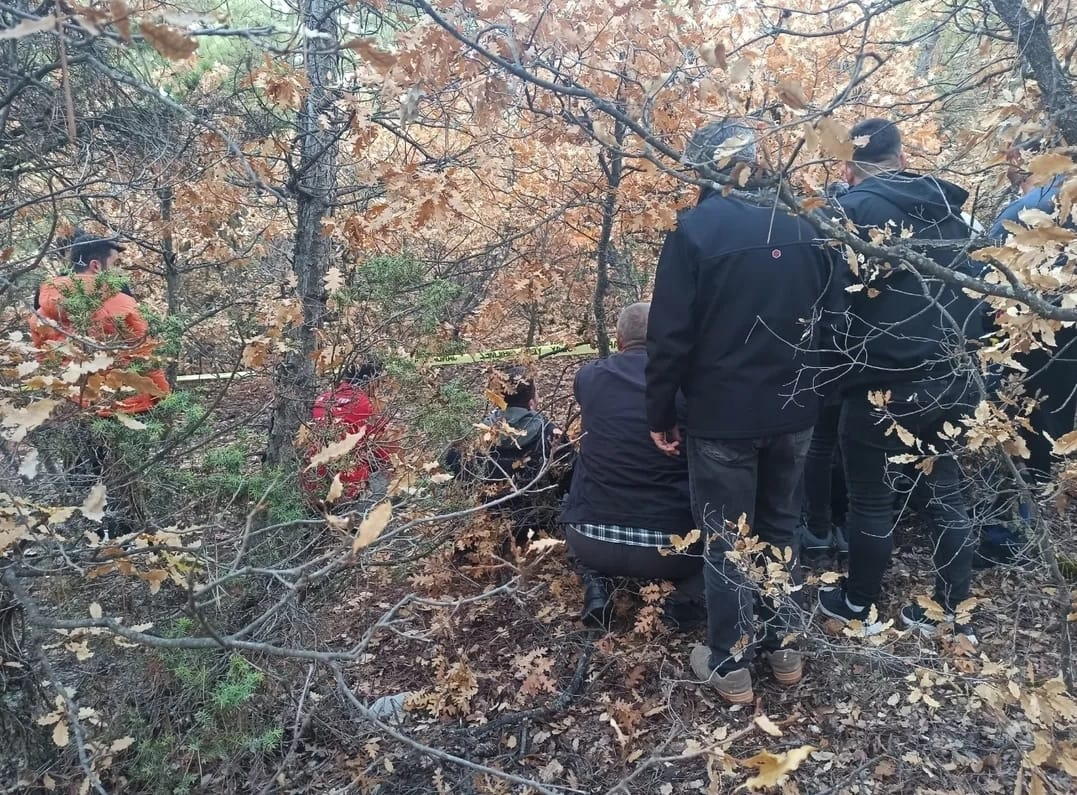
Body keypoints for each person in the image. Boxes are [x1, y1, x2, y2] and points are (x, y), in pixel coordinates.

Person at [646, 119, 842, 703]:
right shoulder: (810, 222)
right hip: (793, 411)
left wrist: (660, 412)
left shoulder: (696, 230)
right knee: (781, 525)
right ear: (756, 159)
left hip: (723, 416)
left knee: (728, 538)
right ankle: (784, 646)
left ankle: (730, 661)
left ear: (704, 168)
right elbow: (835, 324)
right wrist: (817, 395)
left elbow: (669, 336)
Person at [817, 118, 983, 640]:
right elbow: (977, 295)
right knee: (946, 494)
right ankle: (952, 610)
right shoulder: (953, 218)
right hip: (953, 377)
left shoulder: (848, 212)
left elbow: (828, 299)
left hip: (881, 385)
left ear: (848, 167)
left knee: (871, 498)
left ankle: (860, 604)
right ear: (903, 158)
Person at [561, 302, 703, 629]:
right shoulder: (691, 386)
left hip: (590, 541)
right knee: (723, 540)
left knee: (569, 498)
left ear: (619, 341)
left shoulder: (589, 378)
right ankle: (683, 601)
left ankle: (595, 583)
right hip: (672, 550)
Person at [977, 137, 1076, 566]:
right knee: (1049, 431)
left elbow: (984, 278)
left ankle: (1005, 535)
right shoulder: (1034, 205)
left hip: (1027, 350)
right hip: (1058, 353)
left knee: (1019, 435)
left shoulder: (1027, 209)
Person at [30, 231, 170, 415]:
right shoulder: (123, 305)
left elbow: (44, 363)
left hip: (71, 409)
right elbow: (144, 354)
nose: (118, 272)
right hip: (124, 405)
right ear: (96, 265)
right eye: (115, 265)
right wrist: (163, 395)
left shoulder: (39, 314)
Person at [447, 366, 573, 546]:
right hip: (539, 527)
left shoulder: (473, 437)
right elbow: (571, 479)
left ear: (497, 399)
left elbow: (451, 467)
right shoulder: (552, 435)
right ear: (532, 399)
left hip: (486, 525)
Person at [301, 359, 395, 506]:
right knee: (390, 483)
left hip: (312, 483)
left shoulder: (323, 398)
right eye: (379, 382)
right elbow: (384, 452)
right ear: (371, 380)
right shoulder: (367, 405)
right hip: (347, 489)